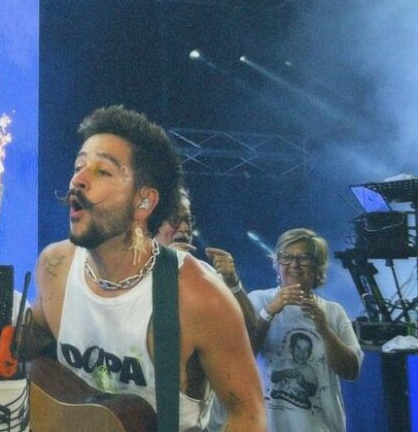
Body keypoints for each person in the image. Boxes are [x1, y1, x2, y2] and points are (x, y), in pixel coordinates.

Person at [31, 106, 265, 430]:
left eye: (102, 172)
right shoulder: (54, 266)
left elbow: (249, 414)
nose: (77, 180)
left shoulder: (199, 297)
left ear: (144, 202)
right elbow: (32, 354)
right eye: (78, 166)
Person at [156, 188, 257, 431]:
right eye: (175, 219)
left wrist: (233, 283)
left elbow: (248, 333)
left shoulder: (206, 274)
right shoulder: (128, 272)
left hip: (193, 420)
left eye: (188, 220)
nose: (184, 228)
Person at [248, 228, 362, 431]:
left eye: (303, 258)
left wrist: (324, 329)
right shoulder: (259, 300)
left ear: (318, 266)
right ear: (277, 263)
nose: (294, 265)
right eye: (286, 257)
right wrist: (268, 313)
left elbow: (351, 371)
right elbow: (243, 356)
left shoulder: (333, 311)